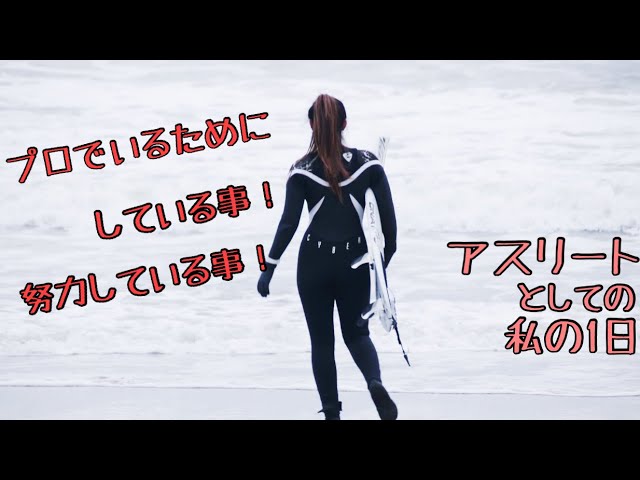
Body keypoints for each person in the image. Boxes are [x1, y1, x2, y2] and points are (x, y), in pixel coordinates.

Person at [257, 94, 398, 420]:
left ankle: (332, 415)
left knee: (322, 343)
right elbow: (390, 230)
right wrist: (380, 267)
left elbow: (289, 224)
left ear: (312, 125)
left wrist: (269, 268)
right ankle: (374, 381)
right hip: (355, 262)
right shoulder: (369, 164)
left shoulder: (301, 170)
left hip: (313, 264)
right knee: (357, 334)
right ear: (344, 124)